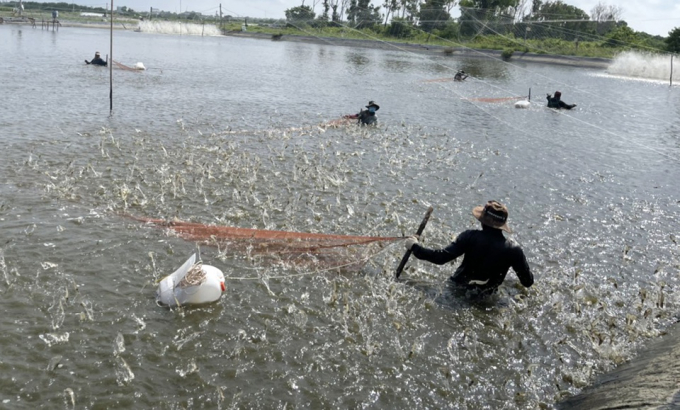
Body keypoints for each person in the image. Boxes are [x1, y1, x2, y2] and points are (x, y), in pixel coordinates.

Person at [403, 200, 534, 297]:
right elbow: (527, 282)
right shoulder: (513, 249)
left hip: (457, 290)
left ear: (482, 220)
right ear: (502, 225)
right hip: (486, 297)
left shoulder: (470, 237)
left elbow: (441, 258)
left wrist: (415, 247)